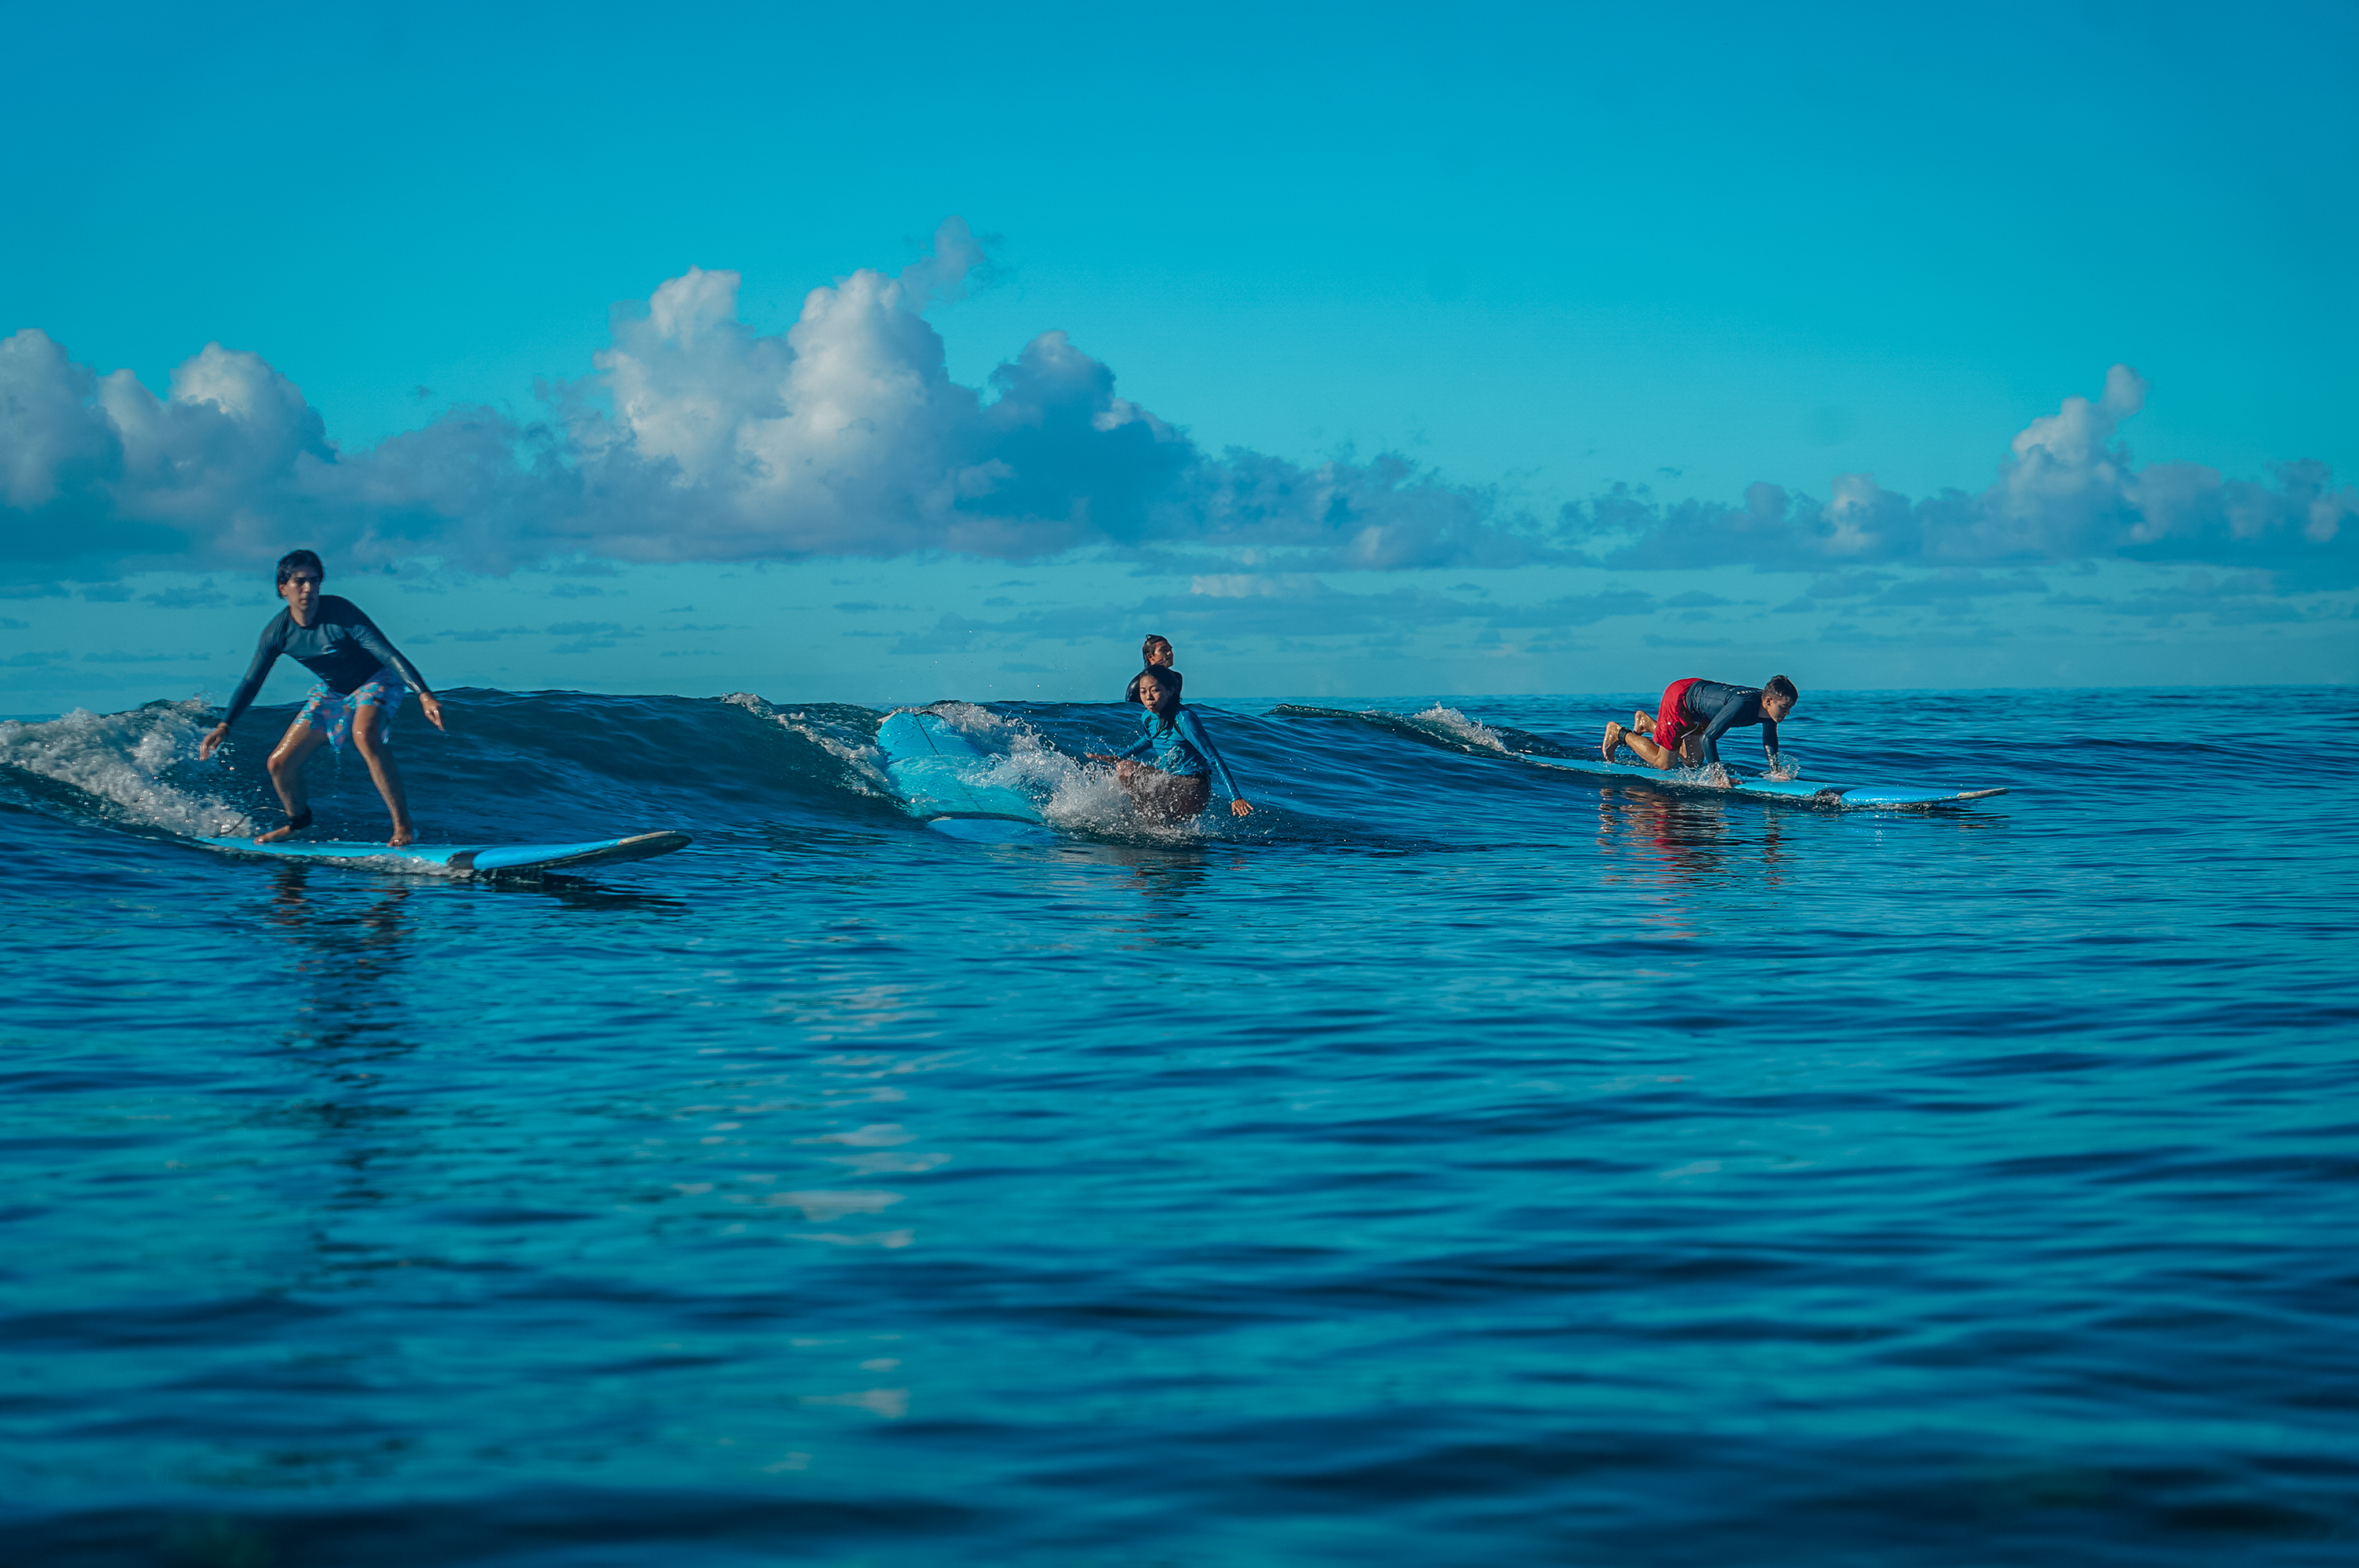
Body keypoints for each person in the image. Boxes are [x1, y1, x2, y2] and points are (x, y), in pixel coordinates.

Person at [197, 550, 448, 844]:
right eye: (300, 582)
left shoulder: (341, 613)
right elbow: (252, 680)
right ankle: (300, 824)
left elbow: (386, 652)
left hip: (377, 680)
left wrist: (424, 694)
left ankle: (404, 827)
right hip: (335, 693)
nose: (308, 589)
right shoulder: (278, 633)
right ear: (283, 588)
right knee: (278, 763)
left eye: (314, 582)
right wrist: (225, 725)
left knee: (364, 735)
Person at [1089, 669, 1254, 820]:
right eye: (1143, 692)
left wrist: (1235, 797)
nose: (1148, 697)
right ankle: (1149, 824)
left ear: (1170, 691)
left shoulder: (1184, 719)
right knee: (1123, 773)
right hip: (1170, 782)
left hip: (1193, 788)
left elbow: (1214, 758)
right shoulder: (1147, 717)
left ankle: (1152, 825)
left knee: (1127, 769)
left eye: (1155, 691)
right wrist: (1117, 758)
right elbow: (1149, 739)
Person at [1603, 675, 1797, 783]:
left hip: (1698, 704)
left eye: (1790, 709)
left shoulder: (1770, 712)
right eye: (1784, 708)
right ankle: (1619, 733)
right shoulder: (1742, 705)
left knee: (1693, 761)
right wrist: (1719, 776)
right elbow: (1708, 739)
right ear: (1769, 701)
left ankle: (1648, 724)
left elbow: (1769, 740)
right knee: (1665, 763)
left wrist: (1775, 771)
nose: (1787, 713)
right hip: (1680, 698)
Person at [1121, 633, 1180, 705]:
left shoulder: (1177, 678)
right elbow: (1132, 712)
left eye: (1170, 650)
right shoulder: (1137, 685)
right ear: (1151, 656)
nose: (1170, 653)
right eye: (1164, 650)